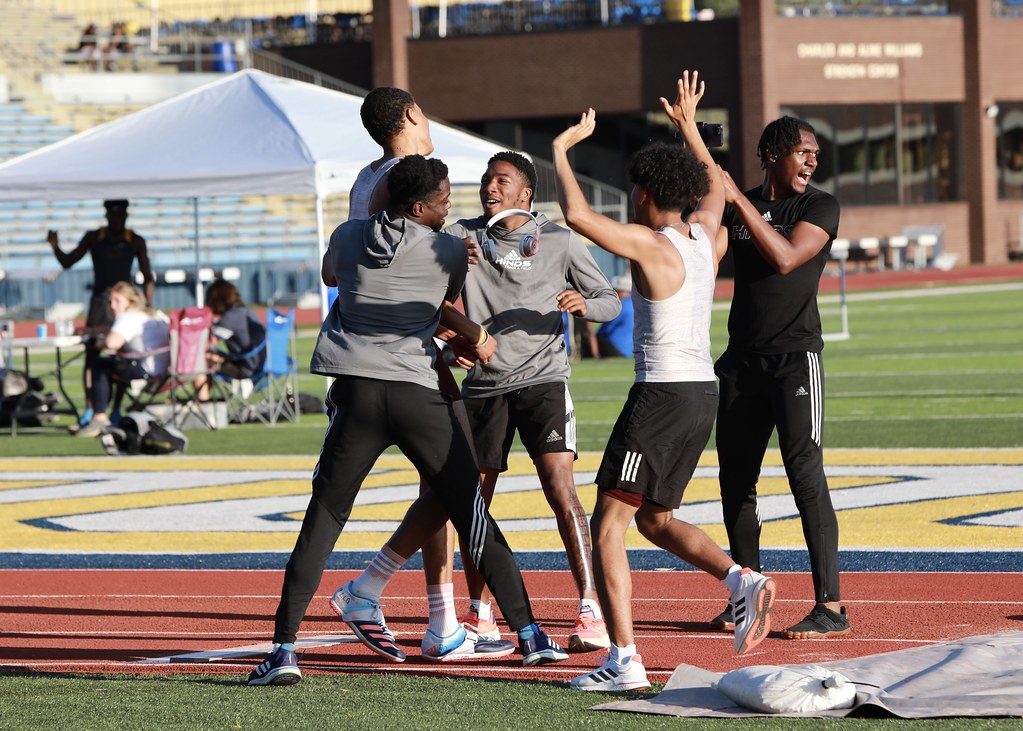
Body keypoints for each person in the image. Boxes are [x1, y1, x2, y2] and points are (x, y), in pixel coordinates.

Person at [246, 155, 568, 686]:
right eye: (442, 199)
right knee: (471, 509)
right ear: (420, 206)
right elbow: (441, 303)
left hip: (356, 393)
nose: (450, 207)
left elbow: (334, 273)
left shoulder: (349, 237)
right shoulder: (446, 249)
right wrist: (478, 337)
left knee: (324, 519)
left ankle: (283, 649)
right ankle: (530, 635)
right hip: (417, 391)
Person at [551, 72, 777, 693]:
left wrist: (560, 152)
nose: (628, 197)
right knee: (654, 519)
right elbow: (717, 190)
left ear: (648, 193)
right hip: (700, 393)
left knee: (608, 529)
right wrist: (688, 131)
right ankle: (741, 580)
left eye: (633, 189)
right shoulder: (705, 235)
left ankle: (624, 659)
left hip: (661, 394)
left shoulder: (651, 245)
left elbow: (575, 214)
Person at [334, 86, 503, 662]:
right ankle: (380, 594)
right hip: (401, 357)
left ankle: (441, 620)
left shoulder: (367, 175)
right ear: (409, 115)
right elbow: (402, 266)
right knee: (455, 477)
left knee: (442, 483)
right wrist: (470, 332)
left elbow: (361, 268)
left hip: (371, 349)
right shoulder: (404, 175)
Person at [444, 151, 622, 653]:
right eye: (485, 180)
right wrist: (451, 336)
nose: (489, 188)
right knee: (474, 503)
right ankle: (479, 613)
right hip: (482, 386)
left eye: (501, 181)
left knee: (561, 489)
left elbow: (610, 298)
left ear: (525, 193)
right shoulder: (461, 237)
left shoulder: (560, 240)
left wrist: (586, 305)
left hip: (544, 378)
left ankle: (590, 608)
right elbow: (425, 293)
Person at [708, 115, 849, 641]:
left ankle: (831, 607)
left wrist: (737, 202)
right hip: (742, 362)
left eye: (816, 153)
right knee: (735, 481)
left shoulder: (818, 206)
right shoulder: (737, 202)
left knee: (804, 477)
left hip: (794, 361)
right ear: (771, 152)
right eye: (803, 151)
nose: (813, 160)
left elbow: (788, 258)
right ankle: (746, 592)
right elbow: (710, 253)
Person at [48, 199, 155, 432]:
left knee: (122, 356)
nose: (117, 219)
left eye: (121, 215)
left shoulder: (134, 240)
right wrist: (55, 246)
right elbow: (68, 262)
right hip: (100, 305)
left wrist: (146, 305)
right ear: (106, 215)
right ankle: (92, 409)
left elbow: (148, 275)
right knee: (93, 356)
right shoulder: (94, 238)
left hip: (125, 305)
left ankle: (115, 409)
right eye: (113, 215)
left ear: (126, 215)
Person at [75, 281, 169, 438]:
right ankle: (115, 412)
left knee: (100, 364)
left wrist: (97, 343)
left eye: (117, 300)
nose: (112, 305)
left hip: (146, 370)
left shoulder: (127, 317)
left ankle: (99, 417)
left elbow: (111, 343)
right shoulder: (153, 314)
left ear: (130, 302)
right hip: (165, 371)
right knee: (117, 363)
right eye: (110, 301)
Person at [204, 278, 266, 380]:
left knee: (201, 361)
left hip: (247, 369)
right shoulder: (247, 311)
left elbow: (209, 343)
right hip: (263, 365)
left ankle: (203, 396)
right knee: (211, 356)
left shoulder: (229, 317)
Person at [592, 274, 634, 359]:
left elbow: (605, 329)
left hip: (615, 347)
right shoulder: (636, 304)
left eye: (616, 291)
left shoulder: (622, 305)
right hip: (630, 349)